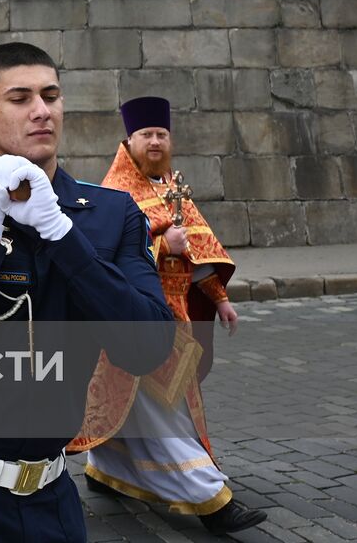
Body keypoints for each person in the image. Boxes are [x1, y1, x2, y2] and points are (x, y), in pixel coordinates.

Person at [0, 42, 175, 542]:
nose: (41, 111)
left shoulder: (109, 214)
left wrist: (61, 233)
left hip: (48, 493)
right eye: (20, 98)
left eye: (50, 95)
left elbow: (148, 347)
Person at [74, 97, 266, 535]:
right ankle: (210, 500)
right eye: (147, 135)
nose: (155, 141)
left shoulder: (171, 186)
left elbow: (200, 248)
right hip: (136, 319)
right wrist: (163, 244)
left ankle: (105, 470)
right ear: (130, 141)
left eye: (161, 134)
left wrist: (218, 298)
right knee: (165, 409)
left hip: (174, 318)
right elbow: (110, 253)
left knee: (142, 407)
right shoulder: (117, 191)